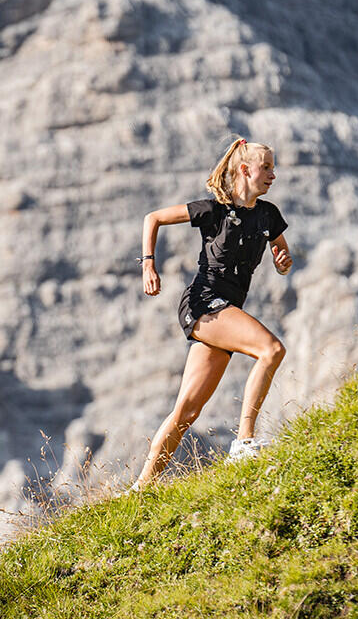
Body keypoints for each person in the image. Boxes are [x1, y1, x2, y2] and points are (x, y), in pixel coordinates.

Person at [133, 136, 292, 488]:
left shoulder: (269, 215)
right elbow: (153, 218)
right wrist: (148, 265)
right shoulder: (213, 210)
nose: (273, 175)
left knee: (186, 411)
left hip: (226, 312)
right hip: (203, 303)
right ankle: (245, 442)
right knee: (271, 350)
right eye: (266, 167)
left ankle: (139, 489)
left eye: (273, 167)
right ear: (245, 170)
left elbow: (283, 256)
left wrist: (283, 263)